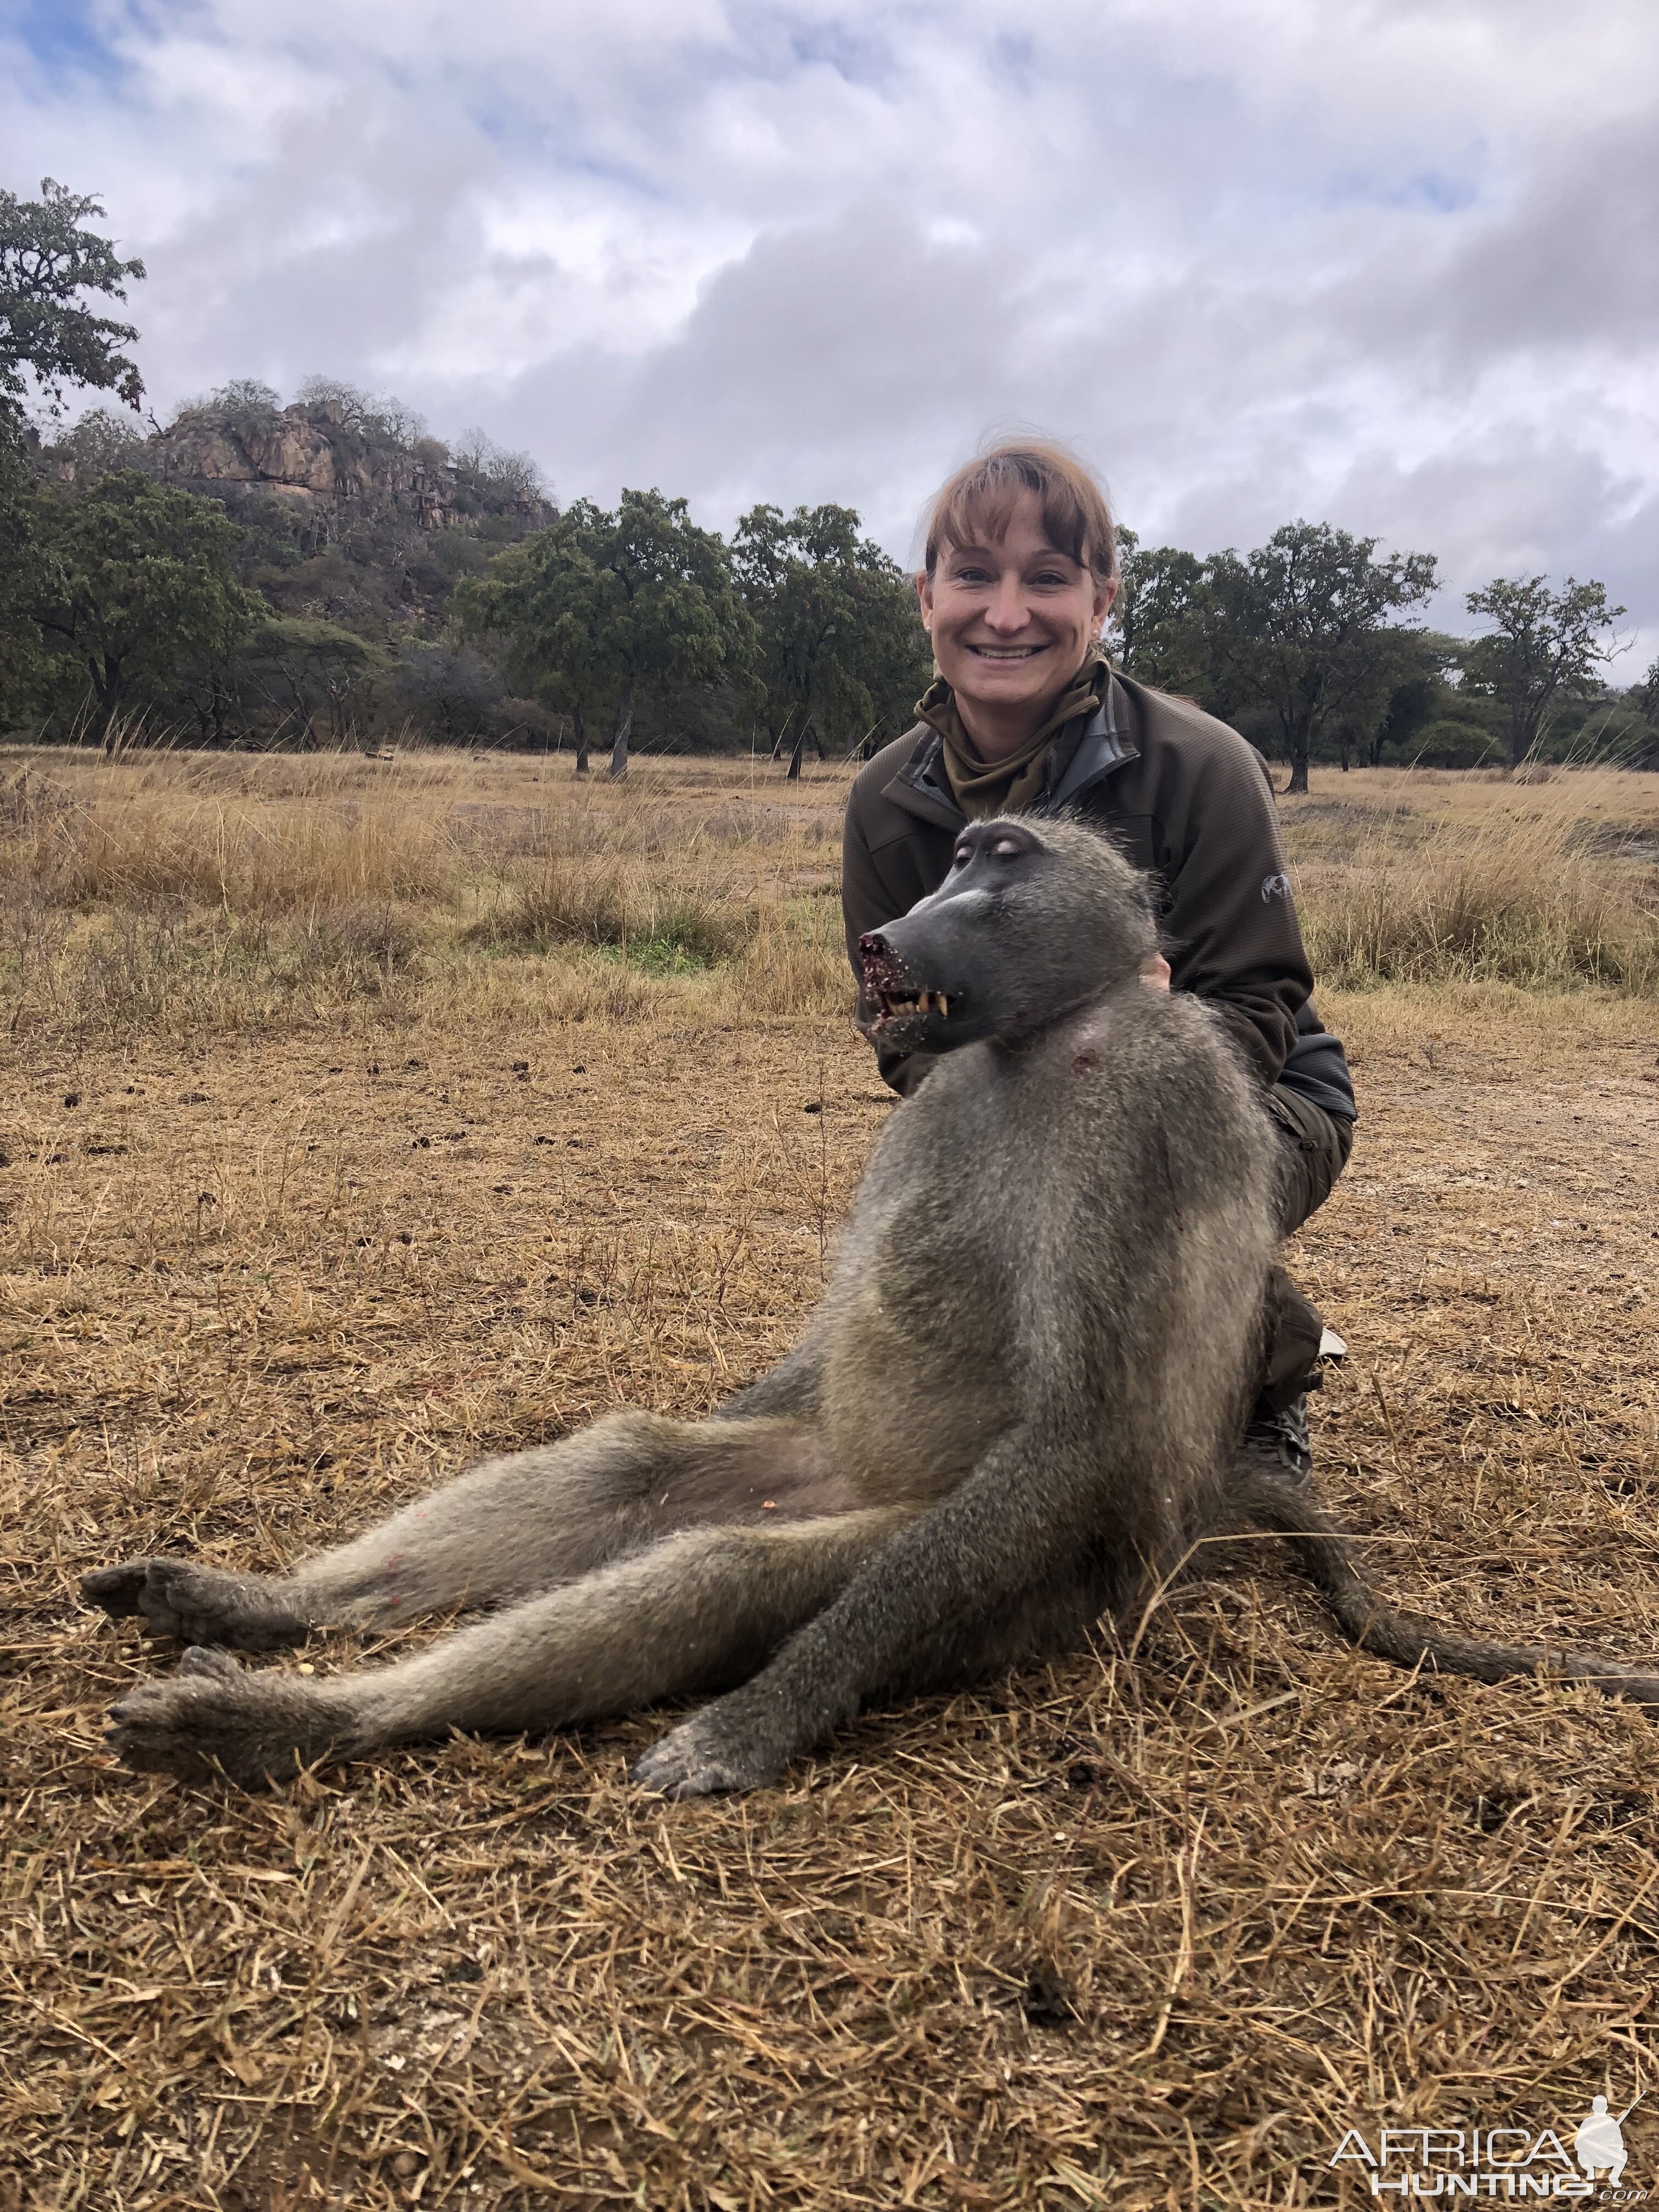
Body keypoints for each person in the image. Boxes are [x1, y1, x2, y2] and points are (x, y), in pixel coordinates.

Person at [840, 440, 1356, 1481]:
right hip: (1009, 1102)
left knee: (1121, 1192)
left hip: (1250, 1101)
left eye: (1049, 578)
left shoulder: (1200, 765)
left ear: (1103, 599)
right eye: (975, 575)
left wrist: (1123, 1054)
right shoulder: (885, 798)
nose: (1007, 612)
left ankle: (1261, 1379)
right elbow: (898, 1026)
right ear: (925, 596)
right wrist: (1003, 1119)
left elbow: (1260, 1003)